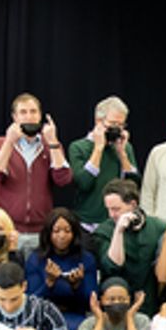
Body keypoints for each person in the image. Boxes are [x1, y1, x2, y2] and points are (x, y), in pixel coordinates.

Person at [0, 93, 72, 249]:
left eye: (33, 112)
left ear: (40, 116)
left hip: (41, 230)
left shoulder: (50, 145)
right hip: (9, 230)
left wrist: (53, 142)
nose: (29, 116)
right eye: (23, 112)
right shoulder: (0, 143)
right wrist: (9, 142)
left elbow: (63, 179)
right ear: (14, 117)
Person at [97, 178, 166, 315]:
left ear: (133, 205)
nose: (111, 214)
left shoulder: (158, 227)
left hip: (151, 300)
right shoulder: (103, 231)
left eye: (116, 209)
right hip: (118, 304)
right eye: (109, 209)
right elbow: (113, 266)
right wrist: (118, 231)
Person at [68, 96, 140, 232]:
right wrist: (98, 148)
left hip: (117, 223)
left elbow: (134, 186)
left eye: (121, 125)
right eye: (113, 124)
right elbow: (84, 183)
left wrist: (122, 154)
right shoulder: (79, 147)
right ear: (98, 122)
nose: (117, 129)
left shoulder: (125, 148)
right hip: (87, 224)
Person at [24, 207, 97, 330]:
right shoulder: (35, 259)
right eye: (56, 231)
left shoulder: (86, 259)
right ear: (48, 233)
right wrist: (49, 283)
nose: (62, 236)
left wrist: (77, 286)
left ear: (74, 233)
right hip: (43, 314)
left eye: (67, 231)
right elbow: (30, 302)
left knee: (79, 329)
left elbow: (91, 302)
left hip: (75, 314)